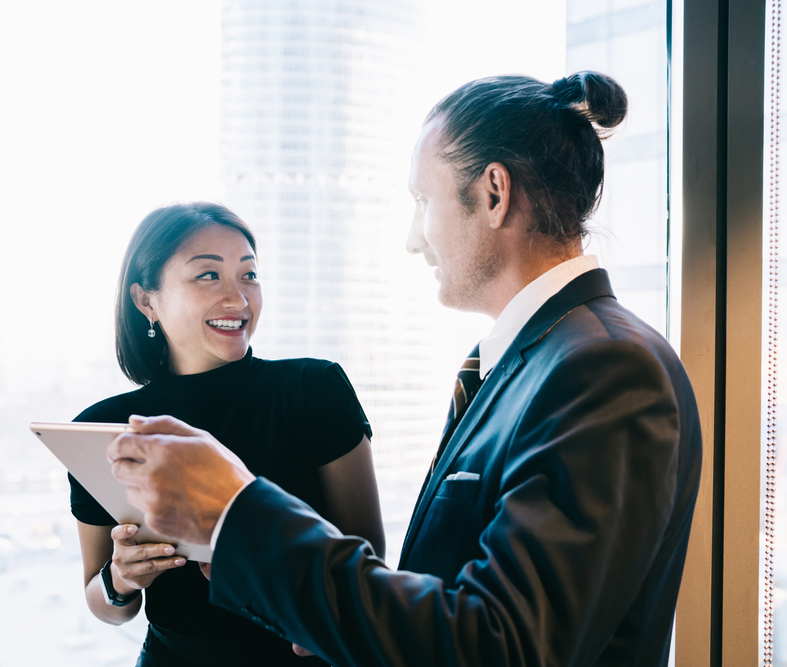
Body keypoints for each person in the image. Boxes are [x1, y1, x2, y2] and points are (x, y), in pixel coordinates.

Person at [106, 72, 703, 667]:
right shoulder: (531, 361)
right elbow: (459, 598)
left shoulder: (602, 368)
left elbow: (502, 647)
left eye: (423, 202)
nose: (415, 239)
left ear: (494, 193)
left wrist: (233, 510)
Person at [69, 202, 386, 667]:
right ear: (145, 300)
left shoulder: (314, 390)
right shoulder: (105, 428)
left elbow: (368, 557)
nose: (238, 299)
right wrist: (119, 580)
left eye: (249, 275)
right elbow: (104, 604)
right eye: (208, 276)